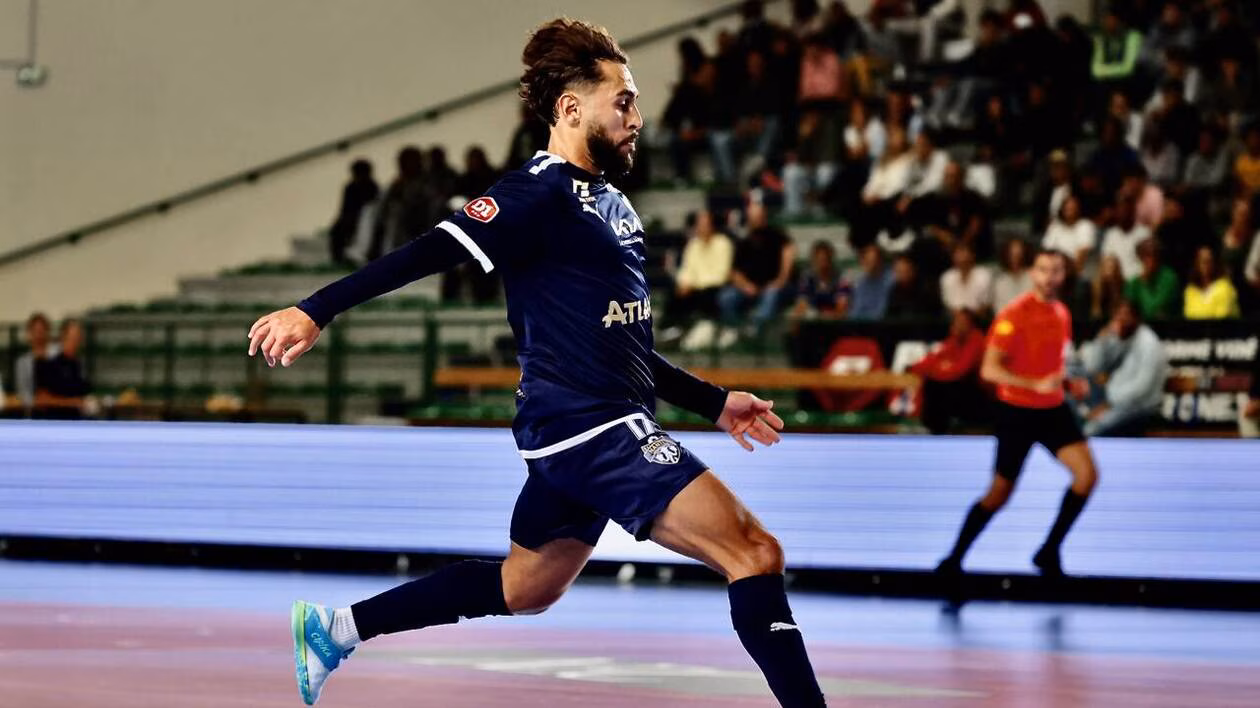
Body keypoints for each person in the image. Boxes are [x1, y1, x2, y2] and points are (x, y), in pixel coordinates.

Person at [248, 20, 826, 707]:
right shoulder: (536, 192)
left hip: (587, 430)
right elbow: (432, 250)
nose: (637, 118)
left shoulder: (613, 205)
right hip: (592, 429)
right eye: (625, 101)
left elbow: (627, 341)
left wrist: (712, 401)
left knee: (526, 588)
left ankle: (336, 629)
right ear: (571, 109)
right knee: (754, 553)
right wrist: (317, 308)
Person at [936, 248, 1099, 597]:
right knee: (999, 494)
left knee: (1087, 476)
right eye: (1043, 270)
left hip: (1053, 409)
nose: (1050, 277)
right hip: (1018, 411)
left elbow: (1056, 364)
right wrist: (1032, 383)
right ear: (1032, 273)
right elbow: (990, 369)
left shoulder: (1061, 313)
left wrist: (1070, 383)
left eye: (1056, 270)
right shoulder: (1013, 315)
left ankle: (1049, 550)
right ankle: (953, 558)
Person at [1071, 299, 1168, 437]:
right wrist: (1102, 341)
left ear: (1137, 318)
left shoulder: (1148, 343)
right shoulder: (1120, 338)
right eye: (1118, 314)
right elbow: (1092, 368)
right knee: (1075, 374)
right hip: (1115, 402)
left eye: (1126, 314)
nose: (1121, 318)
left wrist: (1109, 404)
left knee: (1091, 430)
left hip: (1141, 408)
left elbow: (1143, 387)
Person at [718, 201, 796, 343]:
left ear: (764, 216)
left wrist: (781, 279)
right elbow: (734, 272)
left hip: (774, 286)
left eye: (760, 216)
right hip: (750, 288)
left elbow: (788, 251)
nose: (757, 220)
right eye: (754, 217)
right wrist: (746, 285)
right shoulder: (744, 241)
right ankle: (734, 332)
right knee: (727, 296)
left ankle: (755, 333)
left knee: (771, 294)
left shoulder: (776, 235)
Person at [911, 308, 988, 435]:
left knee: (939, 385)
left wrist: (941, 368)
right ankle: (932, 429)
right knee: (933, 383)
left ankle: (937, 428)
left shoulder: (977, 340)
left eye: (962, 322)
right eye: (955, 321)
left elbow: (960, 371)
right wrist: (941, 367)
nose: (957, 325)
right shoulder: (953, 340)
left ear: (971, 325)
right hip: (957, 392)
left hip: (978, 396)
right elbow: (922, 365)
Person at [33, 318, 92, 419]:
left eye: (78, 337)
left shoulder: (78, 365)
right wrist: (71, 403)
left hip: (77, 421)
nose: (76, 341)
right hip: (55, 421)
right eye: (73, 337)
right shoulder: (48, 362)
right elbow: (41, 400)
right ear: (63, 337)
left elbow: (81, 396)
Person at [328, 160, 380, 266]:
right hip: (351, 218)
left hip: (367, 220)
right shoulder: (350, 187)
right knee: (336, 230)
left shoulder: (372, 187)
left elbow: (373, 209)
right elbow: (345, 208)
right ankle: (338, 259)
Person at [14, 312, 58, 415]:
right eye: (35, 330)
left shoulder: (58, 355)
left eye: (42, 330)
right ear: (29, 333)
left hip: (59, 409)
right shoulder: (22, 362)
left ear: (47, 331)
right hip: (34, 411)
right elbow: (22, 391)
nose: (39, 334)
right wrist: (36, 402)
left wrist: (52, 400)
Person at [1183, 246, 1240, 319]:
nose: (1205, 264)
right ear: (1196, 264)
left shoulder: (1225, 287)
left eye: (1209, 261)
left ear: (1215, 263)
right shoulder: (1190, 290)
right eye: (1202, 260)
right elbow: (1189, 316)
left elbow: (1221, 318)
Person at [939, 241, 993, 316]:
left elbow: (987, 304)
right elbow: (948, 305)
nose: (961, 257)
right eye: (957, 253)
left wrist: (970, 317)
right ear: (952, 257)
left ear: (972, 255)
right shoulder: (947, 277)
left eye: (963, 251)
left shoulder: (984, 275)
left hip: (979, 320)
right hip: (955, 321)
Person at [992, 239, 1032, 311]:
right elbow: (999, 311)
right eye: (1012, 254)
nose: (1015, 259)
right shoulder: (1000, 281)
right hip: (1007, 320)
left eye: (1018, 254)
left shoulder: (1033, 277)